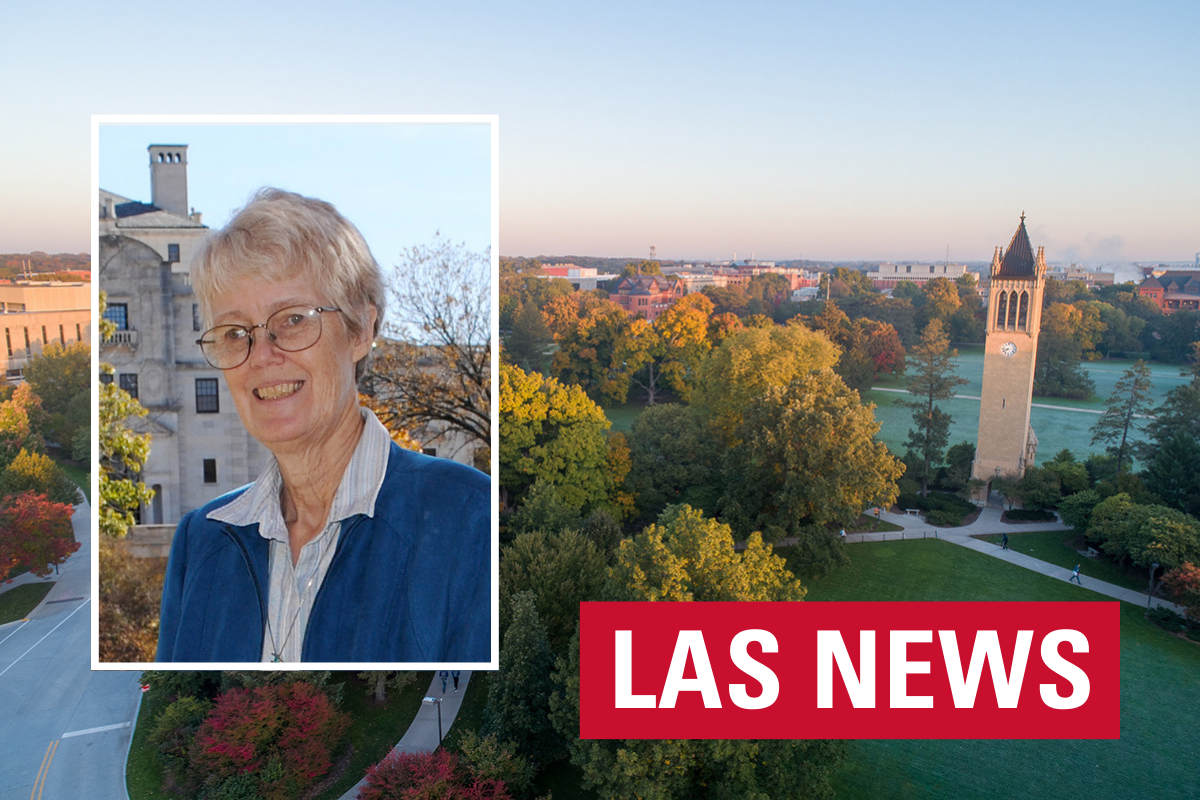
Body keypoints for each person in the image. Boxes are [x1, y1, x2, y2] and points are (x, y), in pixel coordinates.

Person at [156, 188, 490, 663]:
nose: (263, 355)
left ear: (360, 330)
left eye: (293, 320)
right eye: (235, 334)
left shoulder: (467, 520)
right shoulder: (201, 542)